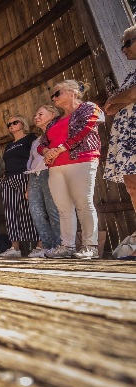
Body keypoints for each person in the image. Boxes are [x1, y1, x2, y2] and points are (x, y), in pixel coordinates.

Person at [39, 80, 104, 259]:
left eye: (57, 93)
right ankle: (67, 246)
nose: (54, 98)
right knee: (63, 208)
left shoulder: (88, 108)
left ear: (73, 92)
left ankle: (90, 246)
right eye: (52, 95)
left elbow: (85, 129)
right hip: (56, 167)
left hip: (81, 161)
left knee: (84, 203)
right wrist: (46, 151)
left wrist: (60, 148)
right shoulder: (54, 122)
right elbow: (42, 142)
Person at [104, 26, 136, 259]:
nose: (122, 49)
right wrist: (120, 99)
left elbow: (130, 96)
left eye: (126, 43)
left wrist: (119, 98)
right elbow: (111, 107)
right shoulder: (130, 75)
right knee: (133, 186)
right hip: (127, 141)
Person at [0, 115, 39, 257]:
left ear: (23, 123)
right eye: (8, 124)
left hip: (24, 176)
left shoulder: (31, 138)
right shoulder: (9, 145)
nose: (11, 125)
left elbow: (35, 158)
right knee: (10, 213)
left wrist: (30, 180)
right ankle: (15, 247)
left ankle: (37, 246)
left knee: (27, 211)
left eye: (15, 122)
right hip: (9, 179)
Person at [25, 105, 62, 258]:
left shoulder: (57, 132)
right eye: (35, 114)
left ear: (52, 114)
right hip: (34, 176)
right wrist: (28, 185)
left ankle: (60, 246)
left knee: (53, 211)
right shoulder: (37, 141)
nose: (36, 117)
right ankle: (47, 247)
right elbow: (31, 162)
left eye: (40, 114)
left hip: (50, 172)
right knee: (36, 213)